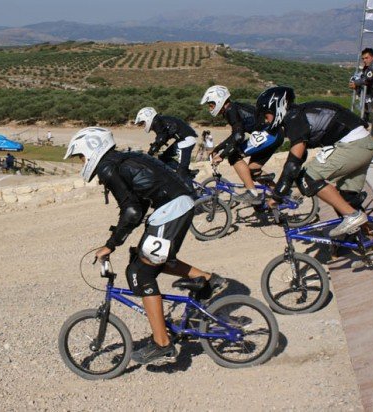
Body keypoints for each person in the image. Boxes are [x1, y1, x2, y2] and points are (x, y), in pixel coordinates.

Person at [64, 127, 227, 365]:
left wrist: (111, 245)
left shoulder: (108, 167)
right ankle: (206, 279)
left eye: (81, 156)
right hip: (176, 205)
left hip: (172, 208)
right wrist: (119, 239)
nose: (82, 162)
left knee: (142, 273)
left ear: (91, 149)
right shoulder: (121, 160)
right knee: (145, 258)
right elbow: (136, 207)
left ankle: (162, 343)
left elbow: (131, 211)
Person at [257, 86, 373, 237]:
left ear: (277, 109)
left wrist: (277, 197)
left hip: (352, 145)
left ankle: (352, 216)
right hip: (363, 143)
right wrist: (284, 187)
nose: (265, 120)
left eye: (266, 115)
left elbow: (293, 163)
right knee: (346, 200)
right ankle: (372, 243)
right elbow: (300, 158)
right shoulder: (299, 113)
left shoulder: (293, 119)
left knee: (308, 178)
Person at [200, 85, 284, 205]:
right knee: (253, 170)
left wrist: (222, 155)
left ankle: (252, 193)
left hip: (270, 134)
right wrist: (218, 148)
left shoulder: (231, 111)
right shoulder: (233, 108)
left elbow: (238, 137)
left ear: (219, 100)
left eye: (211, 104)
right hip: (274, 134)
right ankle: (279, 194)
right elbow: (235, 134)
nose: (210, 108)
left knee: (234, 156)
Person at [134, 107, 198, 179]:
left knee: (182, 175)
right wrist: (154, 148)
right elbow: (164, 136)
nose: (143, 125)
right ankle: (187, 172)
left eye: (143, 122)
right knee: (163, 157)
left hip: (186, 141)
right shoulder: (160, 120)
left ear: (147, 118)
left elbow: (161, 138)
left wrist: (152, 150)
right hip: (182, 140)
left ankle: (186, 179)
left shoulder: (157, 122)